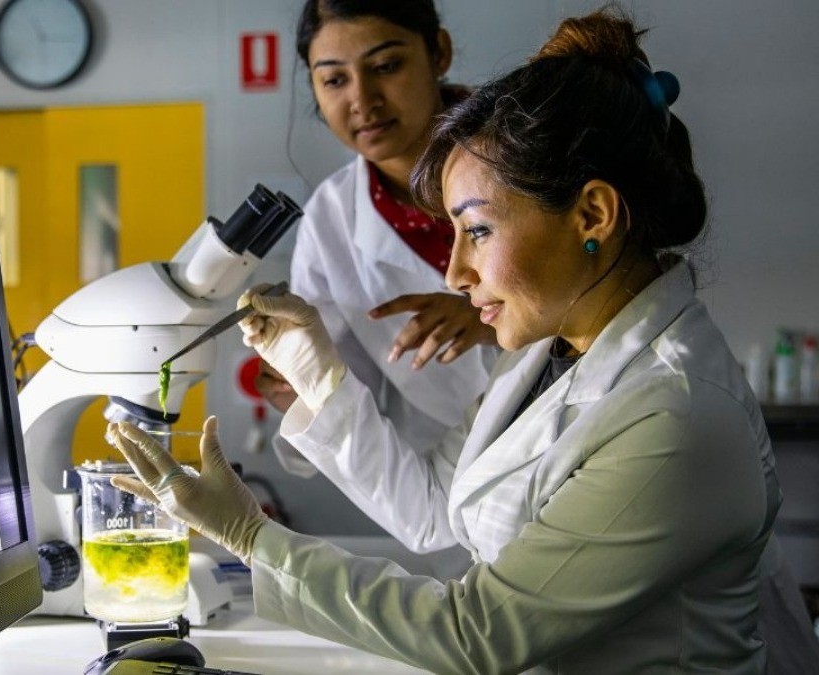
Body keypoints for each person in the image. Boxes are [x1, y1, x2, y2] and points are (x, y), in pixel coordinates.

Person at [107, 8, 813, 672]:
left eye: (475, 231)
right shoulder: (546, 354)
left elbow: (480, 630)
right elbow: (438, 502)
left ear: (593, 213)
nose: (454, 272)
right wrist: (320, 376)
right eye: (332, 78)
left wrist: (251, 537)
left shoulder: (676, 412)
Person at [260, 0, 495, 555]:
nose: (361, 101)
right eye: (335, 79)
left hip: (579, 445)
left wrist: (487, 316)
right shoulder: (332, 218)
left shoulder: (524, 157)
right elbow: (354, 385)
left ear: (438, 52)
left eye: (386, 66)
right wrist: (305, 388)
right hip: (451, 495)